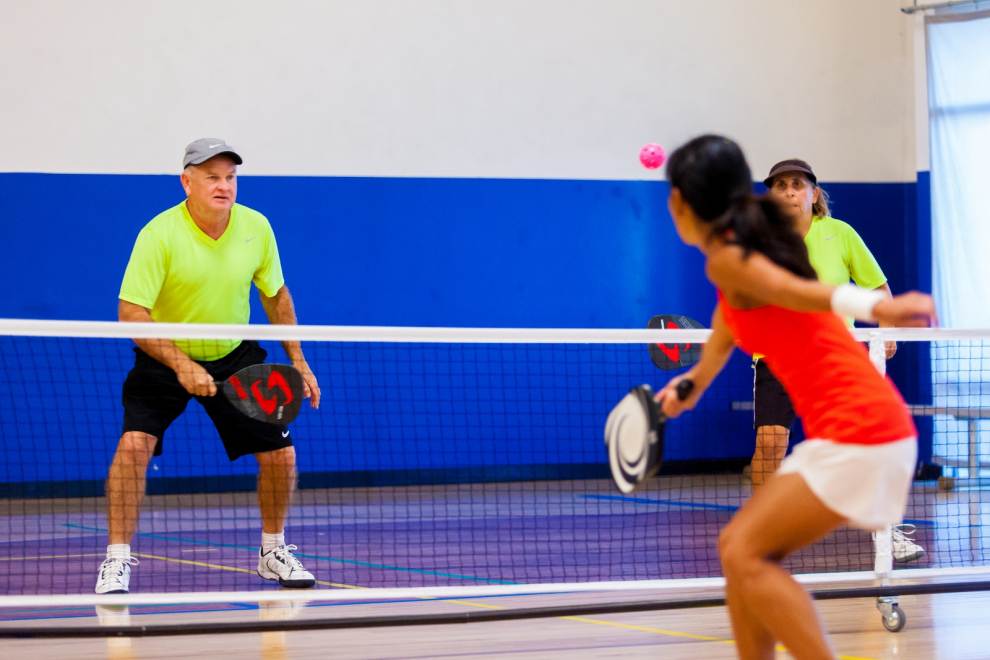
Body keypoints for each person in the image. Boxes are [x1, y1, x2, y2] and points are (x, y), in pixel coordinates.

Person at [657, 134, 934, 658]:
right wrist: (688, 387)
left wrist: (875, 307)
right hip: (866, 431)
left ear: (680, 203)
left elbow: (795, 293)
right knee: (741, 553)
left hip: (863, 431)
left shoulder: (738, 259)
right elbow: (724, 330)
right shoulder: (741, 256)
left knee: (742, 552)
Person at [95, 138, 322, 594]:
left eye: (230, 177)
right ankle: (116, 558)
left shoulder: (256, 227)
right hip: (164, 355)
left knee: (281, 454)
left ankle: (273, 550)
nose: (223, 186)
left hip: (234, 354)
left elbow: (275, 295)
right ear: (187, 182)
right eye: (212, 177)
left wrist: (299, 360)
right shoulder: (158, 235)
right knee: (134, 446)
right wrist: (180, 365)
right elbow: (132, 314)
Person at [750, 158, 924, 562]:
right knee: (770, 444)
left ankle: (888, 533)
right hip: (778, 356)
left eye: (797, 184)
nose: (789, 192)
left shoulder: (841, 234)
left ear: (814, 194)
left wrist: (886, 327)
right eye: (780, 186)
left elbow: (876, 285)